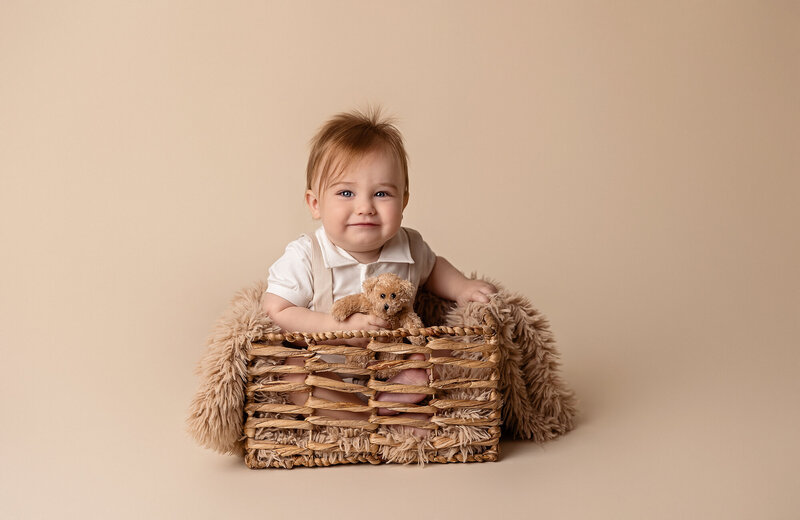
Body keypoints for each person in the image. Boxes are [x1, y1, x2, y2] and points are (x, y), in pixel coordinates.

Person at [261, 108, 496, 432]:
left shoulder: (410, 248)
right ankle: (371, 422)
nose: (365, 207)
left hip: (394, 372)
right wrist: (333, 325)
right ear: (315, 204)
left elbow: (434, 269)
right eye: (346, 193)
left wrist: (463, 288)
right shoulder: (306, 255)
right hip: (328, 371)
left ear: (404, 201)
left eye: (382, 194)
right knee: (293, 372)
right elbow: (277, 309)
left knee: (439, 359)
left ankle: (386, 406)